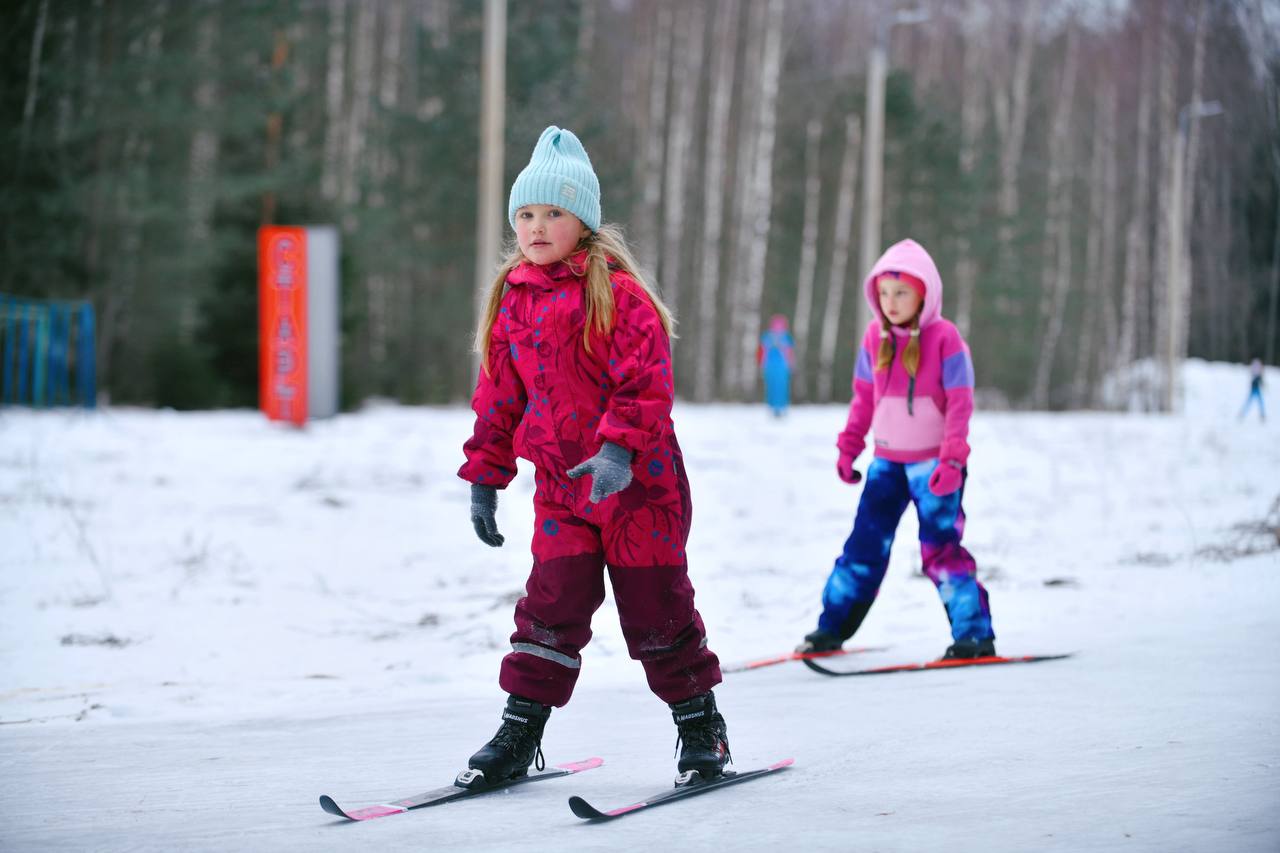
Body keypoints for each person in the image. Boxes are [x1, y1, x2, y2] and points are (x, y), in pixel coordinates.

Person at [458, 126, 729, 786]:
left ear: (584, 220)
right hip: (562, 491)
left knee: (655, 606)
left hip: (638, 487)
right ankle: (520, 733)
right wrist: (486, 476)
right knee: (550, 606)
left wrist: (617, 449)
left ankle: (701, 729)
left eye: (553, 212)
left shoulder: (618, 294)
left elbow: (647, 380)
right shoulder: (513, 302)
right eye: (525, 214)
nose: (536, 225)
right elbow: (499, 395)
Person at [798, 238, 995, 660]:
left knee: (940, 551)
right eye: (884, 293)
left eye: (901, 292)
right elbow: (863, 399)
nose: (890, 302)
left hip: (934, 467)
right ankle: (830, 629)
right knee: (863, 549)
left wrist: (953, 458)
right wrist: (849, 447)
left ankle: (974, 635)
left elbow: (960, 403)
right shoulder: (874, 338)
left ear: (925, 293)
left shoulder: (946, 339)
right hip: (886, 463)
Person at [758, 314, 795, 417]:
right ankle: (774, 407)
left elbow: (789, 353)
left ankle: (780, 407)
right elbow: (763, 352)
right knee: (774, 387)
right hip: (773, 366)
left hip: (780, 366)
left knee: (780, 387)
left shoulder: (785, 338)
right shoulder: (767, 337)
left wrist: (790, 363)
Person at [1239, 358, 1266, 422]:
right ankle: (1261, 414)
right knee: (1256, 401)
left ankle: (1243, 413)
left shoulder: (1255, 370)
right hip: (1255, 388)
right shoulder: (1257, 371)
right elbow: (1258, 379)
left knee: (1254, 401)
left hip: (1255, 388)